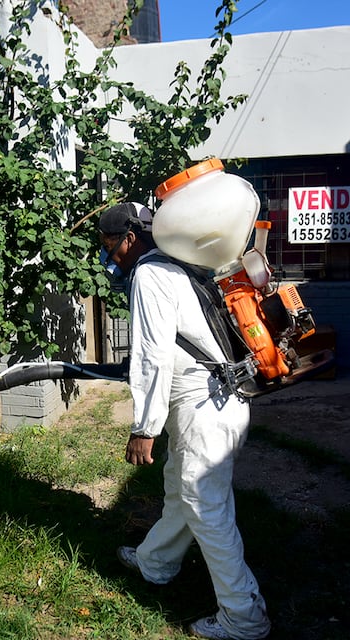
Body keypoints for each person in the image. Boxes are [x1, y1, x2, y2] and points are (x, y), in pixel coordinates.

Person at [98, 202, 272, 640]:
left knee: (207, 509)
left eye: (110, 248)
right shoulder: (180, 266)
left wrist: (144, 428)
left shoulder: (151, 275)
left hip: (204, 409)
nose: (109, 259)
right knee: (181, 491)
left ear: (130, 239)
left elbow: (153, 357)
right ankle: (156, 562)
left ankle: (244, 617)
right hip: (220, 402)